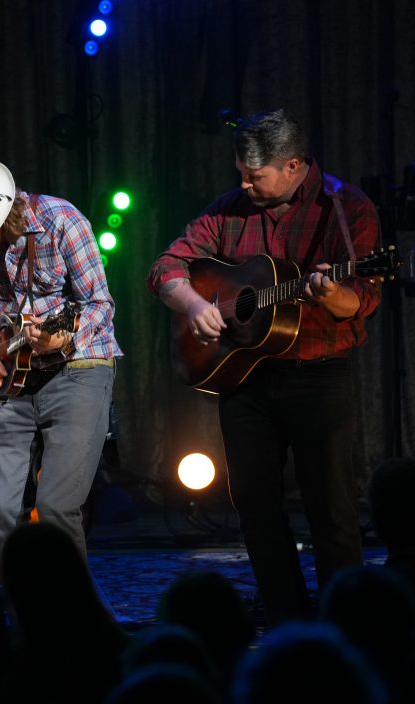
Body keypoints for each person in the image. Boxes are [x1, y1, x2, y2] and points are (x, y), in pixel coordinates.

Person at [147, 108, 382, 625]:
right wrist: (192, 305)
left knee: (332, 506)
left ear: (294, 165)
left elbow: (362, 300)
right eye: (241, 173)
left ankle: (348, 621)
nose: (245, 184)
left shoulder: (346, 209)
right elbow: (166, 265)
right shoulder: (230, 209)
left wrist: (334, 292)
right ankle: (285, 614)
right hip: (245, 376)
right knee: (254, 504)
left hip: (319, 373)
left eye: (256, 176)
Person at [0, 158, 121, 565]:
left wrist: (60, 339)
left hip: (79, 367)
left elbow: (100, 306)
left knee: (54, 509)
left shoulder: (60, 220)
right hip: (15, 381)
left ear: (0, 208)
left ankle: (71, 616)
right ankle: (22, 616)